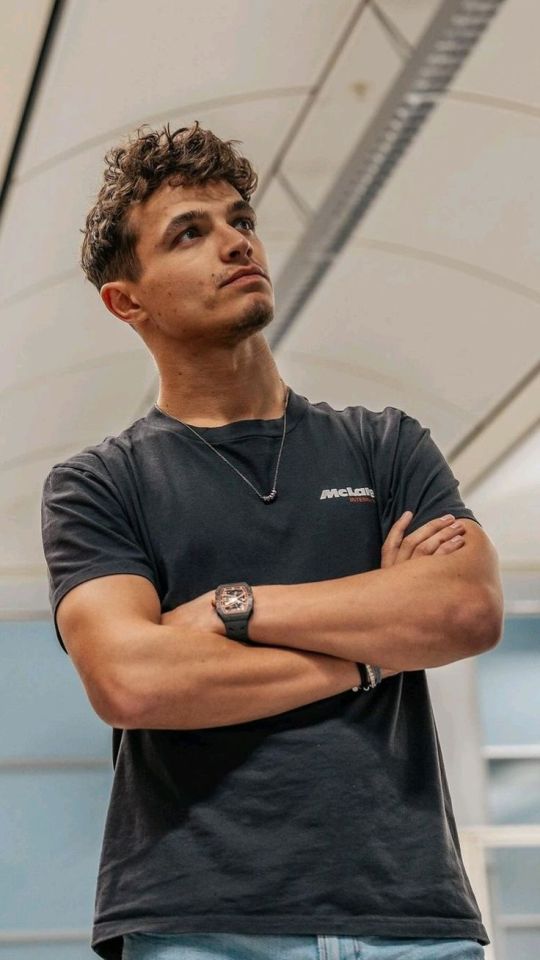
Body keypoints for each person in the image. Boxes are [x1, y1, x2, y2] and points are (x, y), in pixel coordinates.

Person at [40, 122, 503, 960]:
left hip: (410, 920)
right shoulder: (100, 485)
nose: (235, 242)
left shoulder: (384, 444)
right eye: (190, 232)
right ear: (127, 301)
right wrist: (373, 657)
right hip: (202, 923)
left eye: (240, 220)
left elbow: (465, 609)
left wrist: (233, 607)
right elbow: (134, 681)